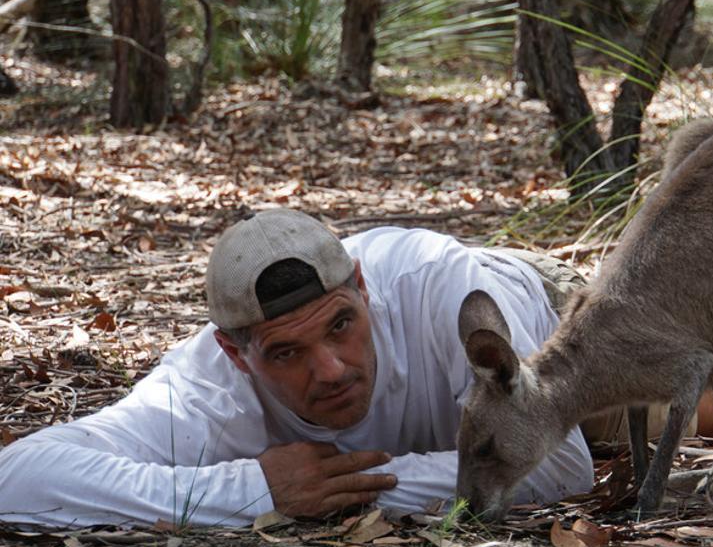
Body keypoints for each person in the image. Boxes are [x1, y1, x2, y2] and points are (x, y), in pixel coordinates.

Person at [0, 209, 597, 528]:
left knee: (680, 412)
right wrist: (256, 490)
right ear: (238, 355)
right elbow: (18, 477)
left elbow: (566, 464)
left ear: (362, 288)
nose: (332, 369)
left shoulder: (433, 283)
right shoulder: (209, 383)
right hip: (486, 427)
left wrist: (344, 488)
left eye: (340, 325)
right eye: (286, 352)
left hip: (545, 316)